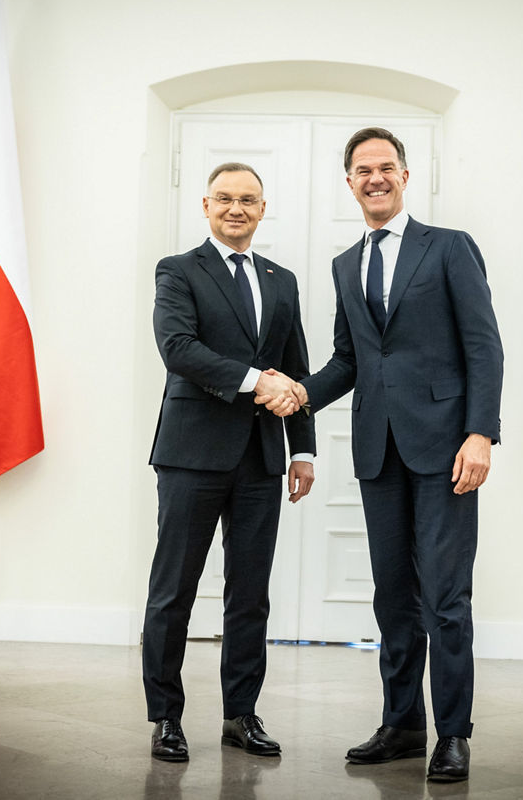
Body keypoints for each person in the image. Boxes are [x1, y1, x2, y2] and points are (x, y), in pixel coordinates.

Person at [262, 128, 503, 783]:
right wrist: (296, 392)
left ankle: (452, 733)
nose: (375, 177)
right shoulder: (346, 264)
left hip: (447, 449)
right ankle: (402, 725)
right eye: (363, 169)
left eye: (386, 167)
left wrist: (481, 433)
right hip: (378, 451)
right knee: (393, 597)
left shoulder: (449, 248)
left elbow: (483, 346)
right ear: (349, 182)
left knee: (446, 599)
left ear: (404, 174)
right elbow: (351, 359)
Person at [142, 162, 315, 763]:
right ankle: (166, 717)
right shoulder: (178, 270)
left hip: (263, 459)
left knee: (250, 594)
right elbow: (178, 348)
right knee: (175, 590)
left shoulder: (282, 279)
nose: (236, 208)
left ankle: (240, 714)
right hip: (192, 453)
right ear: (206, 206)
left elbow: (294, 364)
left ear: (263, 209)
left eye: (248, 200)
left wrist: (305, 449)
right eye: (224, 199)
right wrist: (255, 380)